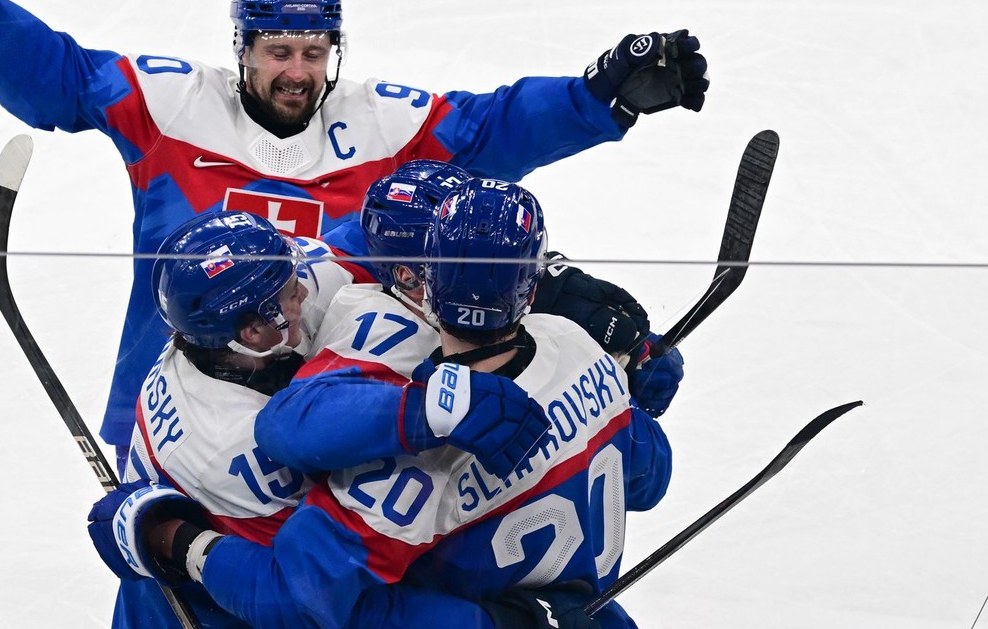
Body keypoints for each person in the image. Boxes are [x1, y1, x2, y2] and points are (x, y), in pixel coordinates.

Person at [0, 0, 711, 456]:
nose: (297, 71)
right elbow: (60, 80)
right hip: (183, 410)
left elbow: (495, 129)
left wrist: (598, 97)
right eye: (279, 50)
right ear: (243, 46)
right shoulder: (175, 104)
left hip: (337, 411)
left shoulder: (384, 124)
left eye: (314, 52)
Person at [97, 179, 683, 629]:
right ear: (253, 331)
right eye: (288, 288)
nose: (306, 283)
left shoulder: (396, 467)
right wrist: (626, 371)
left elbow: (312, 601)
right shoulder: (574, 344)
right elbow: (649, 478)